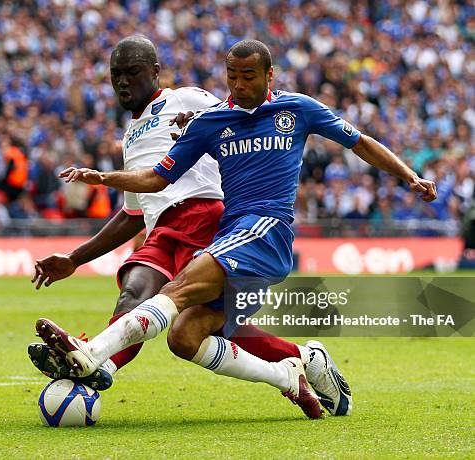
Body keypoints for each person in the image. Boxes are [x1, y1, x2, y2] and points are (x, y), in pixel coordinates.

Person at [30, 37, 344, 417]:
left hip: (207, 216)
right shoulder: (129, 140)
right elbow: (132, 215)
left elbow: (240, 114)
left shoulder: (186, 98)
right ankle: (100, 365)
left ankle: (302, 358)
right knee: (139, 296)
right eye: (117, 75)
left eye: (133, 72)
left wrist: (197, 121)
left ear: (155, 72)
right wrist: (75, 258)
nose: (123, 82)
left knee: (205, 325)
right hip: (160, 228)